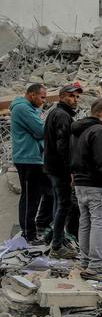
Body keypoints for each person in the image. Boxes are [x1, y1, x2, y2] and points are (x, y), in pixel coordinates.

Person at [70, 99, 102, 278]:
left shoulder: (77, 130)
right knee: (100, 223)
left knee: (85, 223)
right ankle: (96, 265)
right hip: (98, 185)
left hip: (80, 184)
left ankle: (85, 261)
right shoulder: (100, 130)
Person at [44, 82, 83, 258]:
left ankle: (55, 239)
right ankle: (57, 246)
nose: (74, 100)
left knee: (58, 204)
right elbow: (63, 146)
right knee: (64, 205)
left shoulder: (56, 113)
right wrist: (70, 171)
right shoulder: (62, 116)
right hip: (60, 169)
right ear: (61, 97)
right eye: (71, 96)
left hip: (52, 167)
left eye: (76, 97)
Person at [10, 83, 47, 245]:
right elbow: (41, 131)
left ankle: (38, 227)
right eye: (42, 97)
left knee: (43, 194)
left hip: (35, 158)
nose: (44, 101)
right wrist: (40, 125)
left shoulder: (31, 109)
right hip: (27, 159)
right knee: (30, 197)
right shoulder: (22, 109)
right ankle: (28, 235)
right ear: (32, 95)